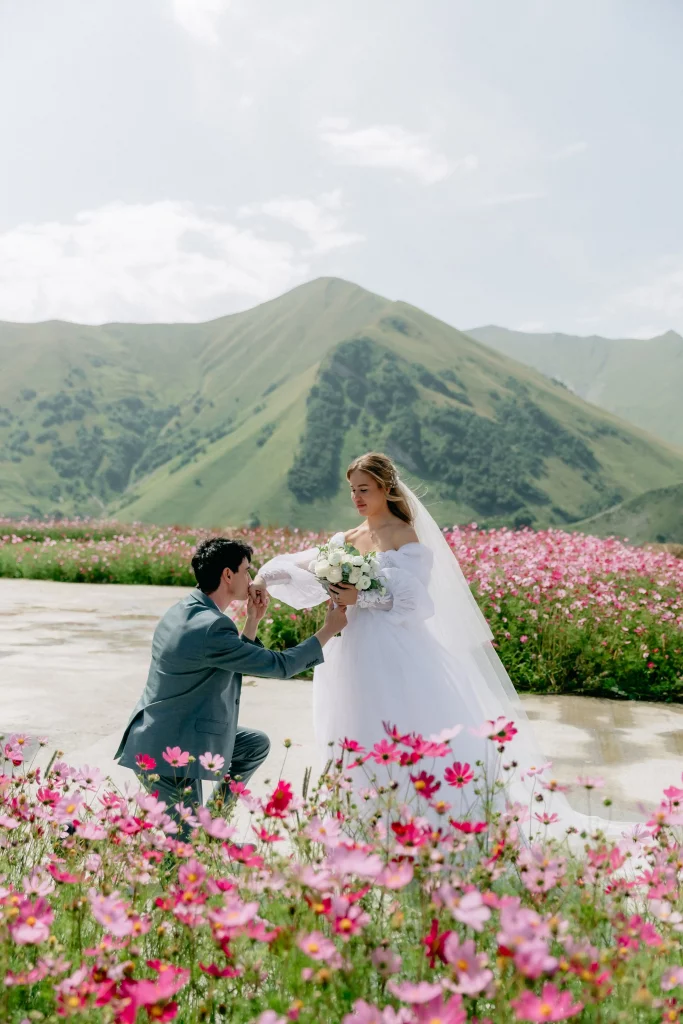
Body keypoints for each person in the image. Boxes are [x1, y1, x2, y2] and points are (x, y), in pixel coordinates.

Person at [252, 452, 629, 838]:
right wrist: (265, 577)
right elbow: (303, 565)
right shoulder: (345, 540)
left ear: (386, 488)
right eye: (352, 490)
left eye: (364, 489)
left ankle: (420, 821)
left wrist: (359, 596)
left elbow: (414, 601)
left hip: (392, 648)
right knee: (350, 725)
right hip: (347, 650)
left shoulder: (405, 536)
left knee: (395, 727)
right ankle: (361, 823)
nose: (357, 498)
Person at [115, 536, 347, 833]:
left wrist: (252, 621)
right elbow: (280, 666)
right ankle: (80, 840)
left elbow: (228, 658)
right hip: (165, 752)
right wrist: (327, 631)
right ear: (228, 575)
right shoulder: (212, 626)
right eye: (247, 570)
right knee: (183, 854)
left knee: (253, 744)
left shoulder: (187, 610)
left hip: (173, 730)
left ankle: (211, 827)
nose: (250, 578)